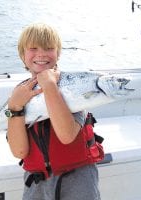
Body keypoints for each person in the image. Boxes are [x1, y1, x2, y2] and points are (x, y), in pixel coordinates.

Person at [6, 23, 101, 200]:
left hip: (78, 181)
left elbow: (66, 136)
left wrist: (49, 84)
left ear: (58, 53)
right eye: (33, 48)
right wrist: (14, 108)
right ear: (22, 55)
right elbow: (19, 151)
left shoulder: (73, 86)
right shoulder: (19, 93)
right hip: (36, 185)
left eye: (49, 48)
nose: (41, 53)